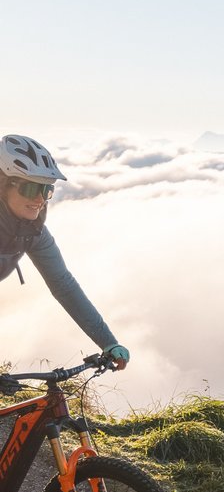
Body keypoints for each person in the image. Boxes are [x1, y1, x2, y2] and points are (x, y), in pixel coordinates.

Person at [0, 134, 128, 369]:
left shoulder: (33, 233)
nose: (39, 199)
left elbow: (63, 285)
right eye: (30, 188)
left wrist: (108, 342)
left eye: (46, 189)